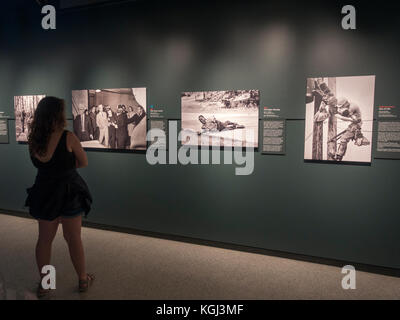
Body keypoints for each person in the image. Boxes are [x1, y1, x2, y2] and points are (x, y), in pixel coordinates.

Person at [25, 97, 94, 298]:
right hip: (69, 192)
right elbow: (83, 162)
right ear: (58, 115)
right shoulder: (68, 137)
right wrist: (66, 169)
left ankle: (46, 284)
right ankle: (82, 279)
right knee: (73, 239)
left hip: (44, 191)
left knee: (45, 240)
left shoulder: (34, 139)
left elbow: (39, 165)